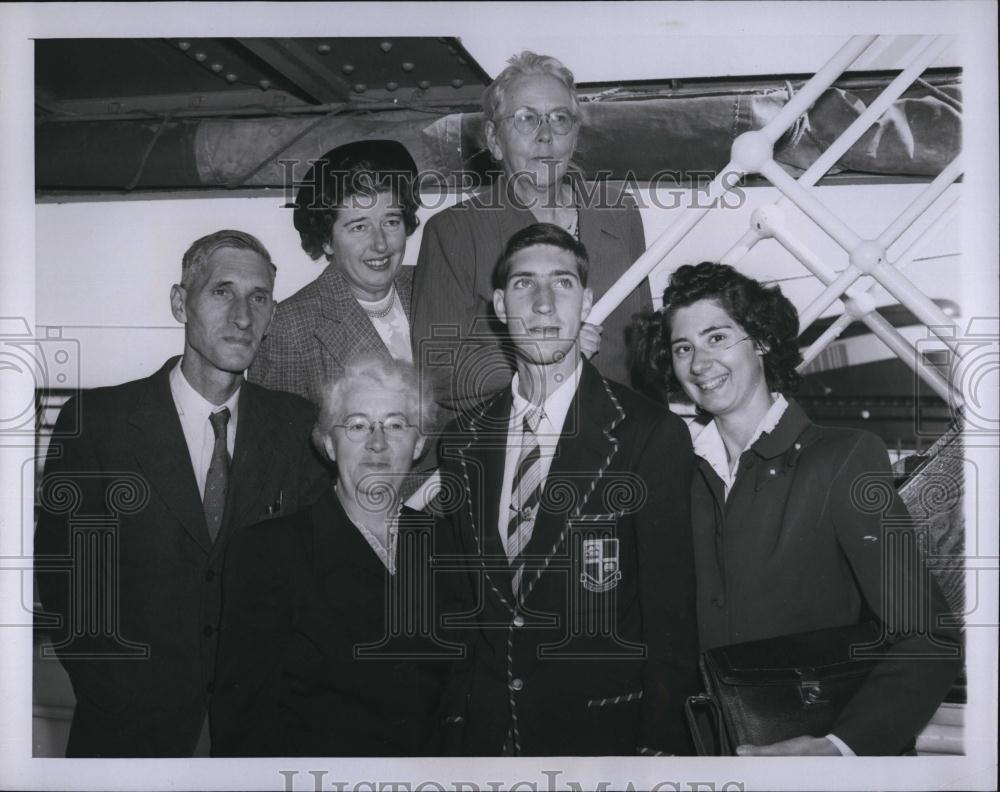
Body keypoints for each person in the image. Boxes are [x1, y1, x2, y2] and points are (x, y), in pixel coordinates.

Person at [633, 261, 963, 756]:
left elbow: (928, 637)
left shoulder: (844, 458)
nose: (700, 363)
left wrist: (839, 747)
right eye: (684, 348)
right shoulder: (675, 473)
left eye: (717, 338)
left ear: (762, 341)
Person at [34, 230, 330, 757]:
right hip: (130, 735)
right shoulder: (99, 423)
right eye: (222, 291)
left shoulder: (297, 426)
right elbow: (67, 582)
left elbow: (311, 586)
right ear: (180, 302)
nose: (243, 315)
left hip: (258, 737)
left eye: (258, 298)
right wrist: (114, 695)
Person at [433, 223, 698, 756]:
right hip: (487, 742)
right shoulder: (461, 440)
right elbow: (459, 607)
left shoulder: (648, 434)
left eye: (563, 284)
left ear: (587, 303)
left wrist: (661, 742)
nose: (545, 304)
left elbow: (671, 613)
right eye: (526, 285)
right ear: (502, 306)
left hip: (604, 737)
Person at [212, 356, 455, 756]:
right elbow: (244, 723)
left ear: (419, 444)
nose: (377, 443)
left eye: (395, 425)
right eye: (357, 425)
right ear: (328, 442)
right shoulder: (268, 553)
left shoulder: (449, 546)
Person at [411, 51, 651, 413]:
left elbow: (644, 345)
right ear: (493, 138)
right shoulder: (454, 230)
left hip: (619, 433)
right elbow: (436, 369)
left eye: (559, 119)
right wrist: (541, 355)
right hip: (513, 439)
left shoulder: (619, 211)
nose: (545, 136)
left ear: (575, 135)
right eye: (526, 119)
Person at [249, 139, 420, 406]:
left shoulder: (432, 283)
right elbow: (276, 441)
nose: (380, 244)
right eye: (359, 227)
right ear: (327, 240)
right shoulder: (290, 327)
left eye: (391, 221)